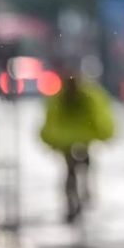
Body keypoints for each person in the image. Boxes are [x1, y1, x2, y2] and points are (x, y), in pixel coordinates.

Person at [40, 72, 115, 224]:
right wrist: (104, 134)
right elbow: (100, 117)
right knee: (79, 167)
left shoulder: (60, 98)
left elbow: (50, 122)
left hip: (67, 140)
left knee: (70, 172)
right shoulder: (88, 96)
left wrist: (50, 141)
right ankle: (81, 195)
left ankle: (73, 201)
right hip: (80, 138)